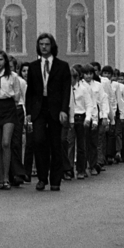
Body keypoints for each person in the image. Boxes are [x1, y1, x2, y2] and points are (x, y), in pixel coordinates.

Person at [23, 32, 72, 191]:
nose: (43, 47)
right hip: (38, 108)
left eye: (47, 44)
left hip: (55, 109)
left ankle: (55, 179)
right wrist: (29, 112)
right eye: (41, 44)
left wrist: (64, 110)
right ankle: (42, 178)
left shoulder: (62, 66)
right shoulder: (33, 66)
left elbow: (66, 90)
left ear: (52, 46)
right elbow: (30, 91)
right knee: (38, 141)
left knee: (55, 143)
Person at [0, 51, 25, 189]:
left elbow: (17, 95)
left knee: (5, 143)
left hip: (8, 107)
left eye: (1, 60)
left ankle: (7, 178)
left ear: (5, 62)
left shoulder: (13, 76)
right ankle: (1, 176)